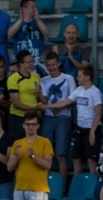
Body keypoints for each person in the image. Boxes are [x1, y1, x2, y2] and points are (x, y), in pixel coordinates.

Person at [49, 64, 102, 175]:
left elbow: (98, 113)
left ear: (87, 77)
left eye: (80, 76)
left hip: (91, 129)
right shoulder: (78, 90)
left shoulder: (95, 92)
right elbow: (65, 102)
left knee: (91, 160)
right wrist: (47, 106)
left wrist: (92, 131)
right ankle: (77, 182)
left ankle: (93, 182)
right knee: (76, 158)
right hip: (80, 129)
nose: (78, 78)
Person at [38, 52, 75, 185]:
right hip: (48, 117)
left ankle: (63, 187)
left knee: (60, 154)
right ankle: (44, 184)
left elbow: (73, 99)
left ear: (58, 64)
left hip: (63, 117)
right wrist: (38, 94)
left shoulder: (69, 78)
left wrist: (60, 107)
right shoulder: (44, 80)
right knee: (46, 154)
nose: (51, 67)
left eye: (53, 64)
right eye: (49, 65)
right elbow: (45, 100)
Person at [6, 50, 42, 139]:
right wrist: (34, 109)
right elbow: (16, 103)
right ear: (21, 64)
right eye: (29, 62)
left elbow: (38, 97)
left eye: (32, 61)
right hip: (18, 117)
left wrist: (39, 108)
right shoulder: (13, 79)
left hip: (33, 118)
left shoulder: (36, 76)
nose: (32, 64)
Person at [8, 0, 49, 77]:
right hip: (20, 62)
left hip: (36, 61)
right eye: (32, 7)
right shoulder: (16, 23)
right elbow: (10, 33)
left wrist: (37, 19)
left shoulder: (39, 22)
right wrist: (21, 19)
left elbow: (47, 34)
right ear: (24, 9)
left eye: (36, 7)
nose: (35, 9)